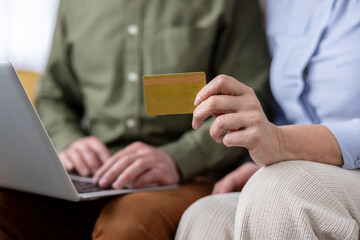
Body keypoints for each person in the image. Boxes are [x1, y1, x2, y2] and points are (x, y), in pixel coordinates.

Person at [0, 0, 272, 239]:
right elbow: (53, 96)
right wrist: (70, 141)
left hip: (191, 175)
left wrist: (177, 159)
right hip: (97, 174)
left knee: (126, 226)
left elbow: (248, 105)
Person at [175, 0, 360, 239]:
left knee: (280, 191)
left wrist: (283, 143)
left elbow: (285, 140)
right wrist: (264, 161)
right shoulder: (279, 5)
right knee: (206, 215)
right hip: (312, 167)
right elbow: (289, 110)